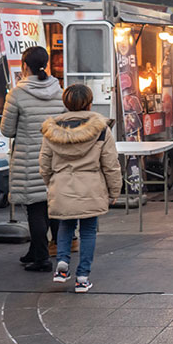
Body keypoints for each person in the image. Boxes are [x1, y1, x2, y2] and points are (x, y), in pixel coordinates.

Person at [39, 84, 122, 293]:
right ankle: (83, 277)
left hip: (62, 185)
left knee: (66, 225)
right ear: (89, 103)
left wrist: (52, 182)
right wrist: (114, 190)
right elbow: (110, 163)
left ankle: (62, 264)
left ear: (66, 103)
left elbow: (44, 163)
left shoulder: (51, 129)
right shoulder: (101, 128)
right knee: (88, 231)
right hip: (91, 187)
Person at [0, 46, 64, 271]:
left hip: (30, 160)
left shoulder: (17, 93)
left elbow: (7, 130)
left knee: (35, 207)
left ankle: (42, 259)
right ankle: (37, 250)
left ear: (24, 66)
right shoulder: (59, 90)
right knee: (50, 204)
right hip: (55, 157)